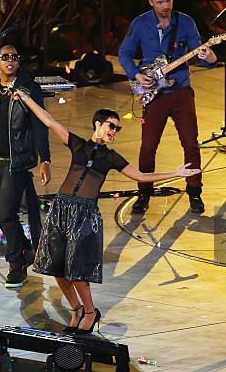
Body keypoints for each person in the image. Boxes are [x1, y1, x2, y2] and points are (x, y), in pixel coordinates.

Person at [13, 89, 200, 334]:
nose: (114, 131)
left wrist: (176, 173)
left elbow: (142, 176)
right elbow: (49, 121)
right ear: (98, 124)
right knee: (56, 268)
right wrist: (27, 100)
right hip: (61, 208)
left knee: (77, 270)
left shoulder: (111, 158)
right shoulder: (77, 145)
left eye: (117, 129)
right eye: (111, 126)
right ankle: (76, 309)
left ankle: (90, 312)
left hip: (84, 214)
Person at [118, 0, 218, 214]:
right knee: (148, 147)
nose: (166, 6)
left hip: (181, 92)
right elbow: (124, 52)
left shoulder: (186, 22)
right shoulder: (140, 24)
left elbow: (201, 54)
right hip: (155, 95)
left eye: (169, 0)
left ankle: (195, 193)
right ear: (151, 1)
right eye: (160, 2)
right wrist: (135, 74)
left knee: (191, 144)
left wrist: (210, 56)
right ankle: (144, 194)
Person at [0, 45, 51, 289]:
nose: (10, 60)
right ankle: (24, 248)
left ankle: (16, 265)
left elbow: (40, 125)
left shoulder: (28, 89)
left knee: (7, 213)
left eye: (15, 57)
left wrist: (45, 159)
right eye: (5, 57)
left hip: (16, 161)